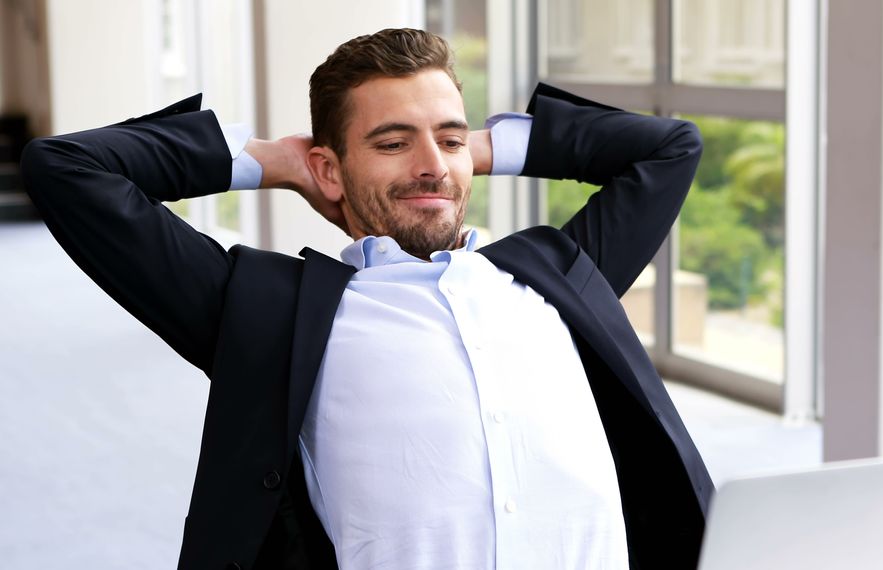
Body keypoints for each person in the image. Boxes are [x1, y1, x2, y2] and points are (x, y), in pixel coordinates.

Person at [21, 28, 713, 570]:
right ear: (329, 166)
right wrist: (276, 159)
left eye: (448, 139)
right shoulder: (271, 312)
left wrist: (465, 145)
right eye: (391, 142)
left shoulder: (557, 274)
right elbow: (67, 169)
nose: (431, 166)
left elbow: (668, 148)